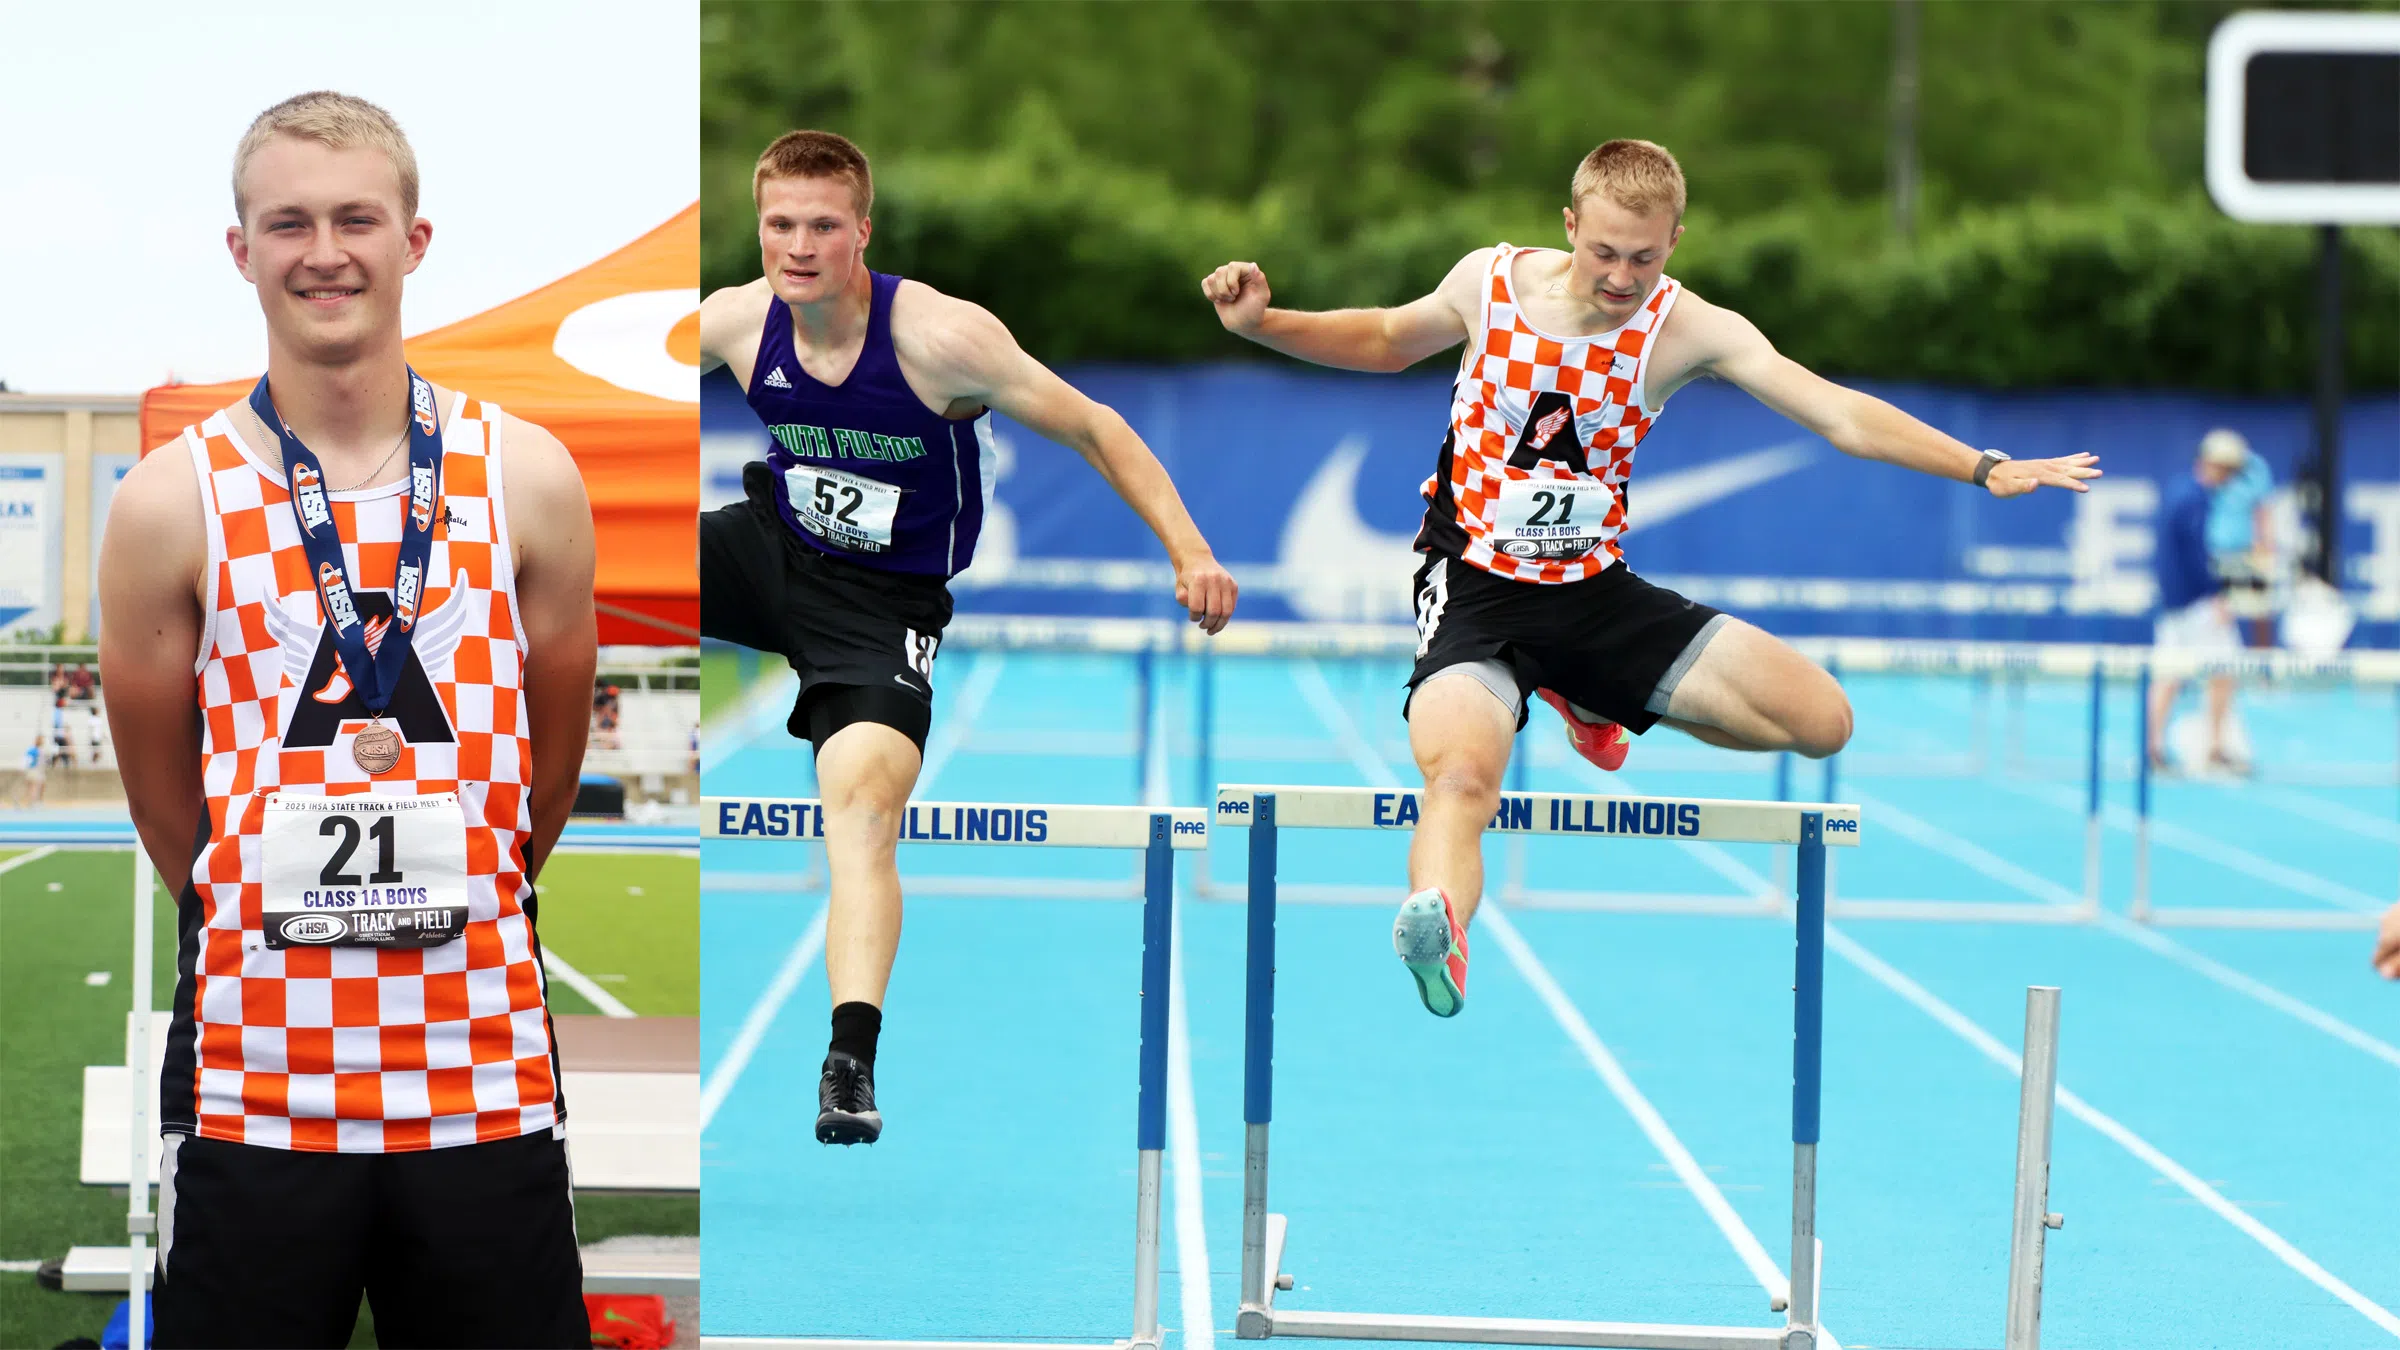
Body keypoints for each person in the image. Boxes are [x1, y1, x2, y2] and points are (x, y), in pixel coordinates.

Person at [1201, 139, 2098, 1018]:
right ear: (1569, 225)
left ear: (1674, 239)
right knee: (1464, 779)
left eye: (1643, 255)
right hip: (1473, 586)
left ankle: (1594, 697)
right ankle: (1442, 928)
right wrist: (1264, 325)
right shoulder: (1491, 280)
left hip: (1596, 596)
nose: (1621, 276)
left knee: (1823, 723)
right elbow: (1392, 338)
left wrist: (1981, 466)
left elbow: (1838, 414)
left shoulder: (1688, 328)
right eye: (1602, 252)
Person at [97, 92, 596, 1347]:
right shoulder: (170, 498)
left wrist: (462, 874)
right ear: (242, 250)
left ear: (414, 241)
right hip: (262, 1082)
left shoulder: (525, 471)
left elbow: (550, 763)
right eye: (290, 223)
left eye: (357, 218)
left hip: (480, 1073)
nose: (326, 251)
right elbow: (169, 811)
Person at [698, 130, 1239, 1144]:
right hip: (770, 548)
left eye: (823, 225)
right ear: (758, 227)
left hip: (882, 606)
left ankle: (848, 1063)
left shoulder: (942, 340)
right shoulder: (734, 320)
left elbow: (1096, 429)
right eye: (780, 224)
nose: (799, 245)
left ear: (863, 231)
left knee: (859, 804)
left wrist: (1190, 550)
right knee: (580, 564)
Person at [2148, 432, 2247, 775]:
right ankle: (2215, 748)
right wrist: (2214, 595)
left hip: (2178, 601)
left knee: (2170, 674)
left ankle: (2155, 747)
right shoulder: (2193, 498)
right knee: (2223, 668)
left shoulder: (2183, 492)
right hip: (2192, 604)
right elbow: (2192, 557)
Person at [2199, 429, 2275, 647]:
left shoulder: (2256, 469)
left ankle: (2264, 671)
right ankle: (2219, 668)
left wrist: (2267, 548)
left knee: (2260, 611)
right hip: (2215, 552)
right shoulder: (2207, 475)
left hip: (2247, 551)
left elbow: (2264, 511)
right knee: (2217, 611)